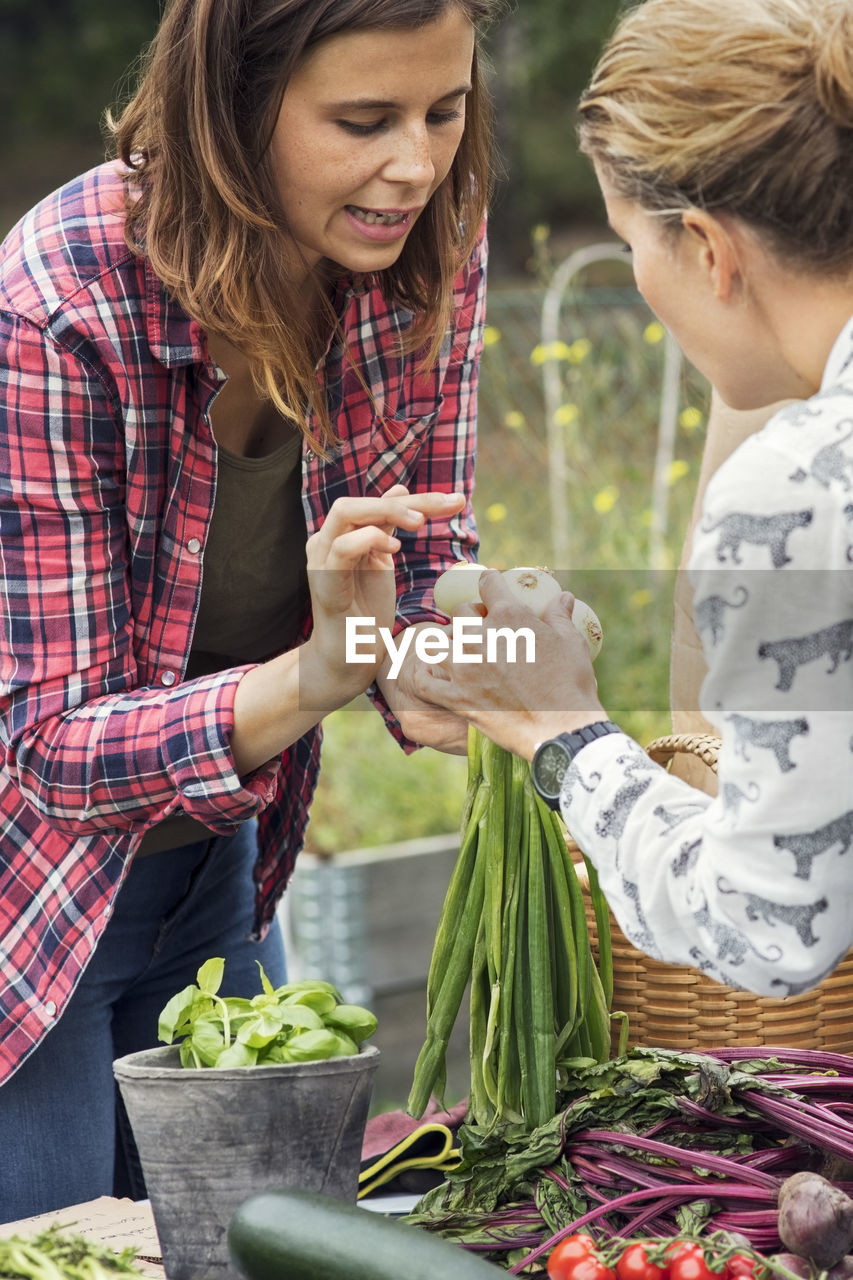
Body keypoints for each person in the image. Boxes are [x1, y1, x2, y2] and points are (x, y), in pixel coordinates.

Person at [0, 0, 500, 1218]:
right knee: (65, 1239)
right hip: (30, 904)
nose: (417, 163)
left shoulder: (423, 243)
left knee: (246, 1243)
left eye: (443, 111)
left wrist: (489, 653)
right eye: (363, 120)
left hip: (220, 860)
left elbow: (420, 571)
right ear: (230, 112)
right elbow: (50, 747)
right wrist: (321, 673)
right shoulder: (58, 305)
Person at [414, 0, 853, 1002]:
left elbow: (765, 927)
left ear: (706, 247)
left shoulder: (801, 483)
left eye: (628, 244)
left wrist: (556, 727)